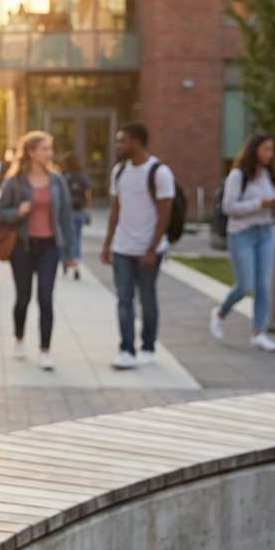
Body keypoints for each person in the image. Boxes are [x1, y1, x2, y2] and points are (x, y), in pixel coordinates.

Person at [0, 131, 75, 370]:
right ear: (31, 152)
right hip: (23, 246)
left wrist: (70, 253)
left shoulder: (57, 180)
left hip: (50, 246)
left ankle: (45, 351)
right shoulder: (15, 181)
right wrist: (17, 212)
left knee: (46, 299)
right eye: (44, 149)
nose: (49, 153)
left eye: (50, 149)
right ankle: (19, 339)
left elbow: (66, 218)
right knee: (23, 297)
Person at [100, 122, 176, 369]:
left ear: (137, 141)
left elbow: (165, 214)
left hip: (148, 248)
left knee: (148, 299)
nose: (118, 146)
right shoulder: (119, 172)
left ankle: (148, 347)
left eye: (122, 141)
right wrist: (107, 244)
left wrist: (152, 250)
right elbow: (115, 210)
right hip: (123, 246)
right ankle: (126, 350)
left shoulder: (159, 172)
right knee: (124, 299)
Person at [211, 132, 275, 351]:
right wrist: (260, 203)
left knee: (263, 285)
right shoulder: (238, 175)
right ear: (254, 150)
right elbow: (229, 207)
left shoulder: (269, 175)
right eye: (265, 149)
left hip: (265, 234)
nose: (269, 154)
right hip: (242, 234)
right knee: (245, 285)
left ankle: (258, 333)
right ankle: (221, 312)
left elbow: (274, 210)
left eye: (272, 150)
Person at [61, 152, 92, 279]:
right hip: (79, 211)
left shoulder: (63, 177)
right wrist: (88, 210)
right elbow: (88, 195)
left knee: (66, 237)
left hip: (67, 212)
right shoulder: (83, 177)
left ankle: (66, 261)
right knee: (77, 238)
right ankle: (76, 261)